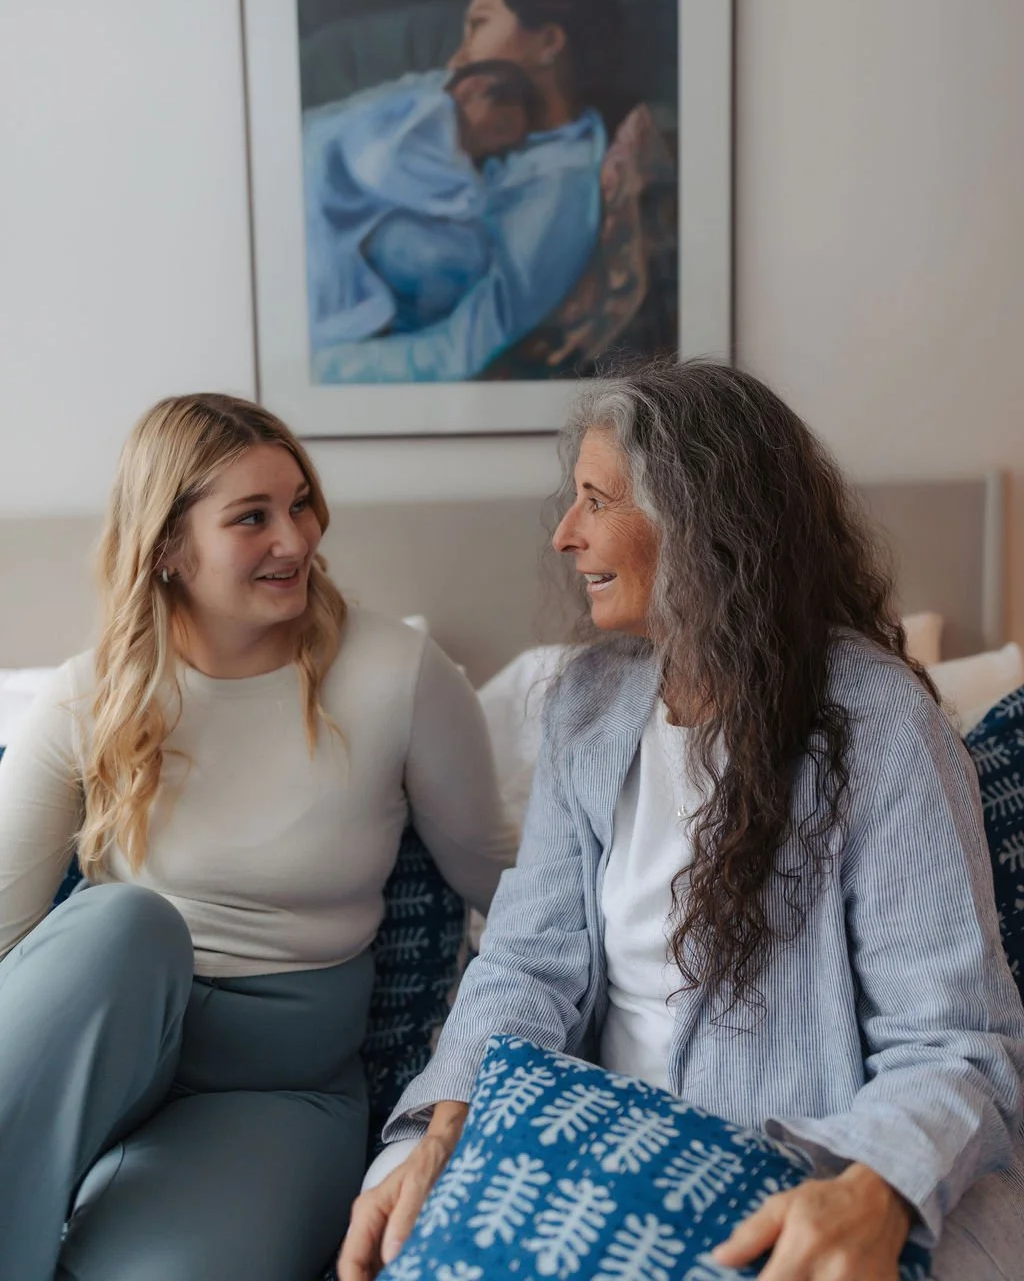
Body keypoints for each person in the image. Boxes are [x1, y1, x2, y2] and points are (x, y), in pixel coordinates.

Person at [339, 359, 1024, 1281]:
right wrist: (457, 1108)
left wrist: (875, 1186)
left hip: (794, 1160)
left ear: (700, 523)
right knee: (399, 1202)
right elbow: (526, 959)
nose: (564, 536)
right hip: (592, 1140)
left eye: (595, 500)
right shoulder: (587, 703)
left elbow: (956, 1040)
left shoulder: (879, 723)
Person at [0, 392, 516, 1281]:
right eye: (253, 518)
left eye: (302, 503)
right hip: (108, 1036)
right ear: (168, 548)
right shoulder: (88, 697)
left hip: (275, 1088)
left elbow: (510, 893)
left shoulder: (400, 677)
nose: (298, 538)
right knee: (126, 924)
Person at [309, 0, 627, 383]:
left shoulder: (559, 193)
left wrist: (312, 370)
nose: (457, 57)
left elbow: (457, 353)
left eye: (479, 24)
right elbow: (329, 137)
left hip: (346, 344)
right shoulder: (466, 92)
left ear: (549, 42)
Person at [306, 59, 544, 346]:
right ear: (471, 90)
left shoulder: (453, 140)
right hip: (325, 183)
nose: (495, 145)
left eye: (505, 144)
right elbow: (380, 163)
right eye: (501, 127)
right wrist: (467, 193)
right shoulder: (432, 110)